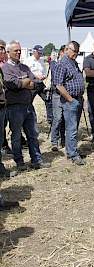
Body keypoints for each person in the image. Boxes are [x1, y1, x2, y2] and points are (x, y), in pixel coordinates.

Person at [2, 40, 50, 171]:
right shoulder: (5, 68)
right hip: (15, 107)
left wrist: (26, 82)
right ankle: (20, 162)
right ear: (8, 52)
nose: (18, 52)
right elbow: (13, 84)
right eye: (15, 50)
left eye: (19, 50)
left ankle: (37, 160)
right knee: (16, 136)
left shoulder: (24, 67)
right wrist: (26, 82)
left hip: (28, 105)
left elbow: (35, 83)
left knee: (33, 134)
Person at [53, 41, 85, 165]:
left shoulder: (74, 62)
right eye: (73, 52)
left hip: (77, 98)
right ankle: (72, 154)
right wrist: (70, 99)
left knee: (74, 128)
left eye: (77, 52)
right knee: (71, 128)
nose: (75, 54)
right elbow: (59, 86)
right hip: (70, 100)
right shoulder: (62, 64)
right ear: (67, 49)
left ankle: (72, 150)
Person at [24, 45, 52, 124]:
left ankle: (50, 119)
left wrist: (43, 76)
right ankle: (30, 120)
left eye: (41, 53)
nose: (40, 55)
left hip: (40, 83)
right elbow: (26, 72)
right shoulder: (28, 60)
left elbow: (44, 71)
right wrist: (35, 76)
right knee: (28, 103)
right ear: (34, 52)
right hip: (32, 84)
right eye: (38, 53)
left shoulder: (41, 60)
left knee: (48, 99)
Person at [50, 45, 66, 151]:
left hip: (66, 93)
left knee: (64, 118)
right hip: (57, 94)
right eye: (65, 51)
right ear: (61, 52)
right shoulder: (55, 64)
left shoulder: (70, 64)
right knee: (57, 118)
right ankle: (54, 141)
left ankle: (63, 139)